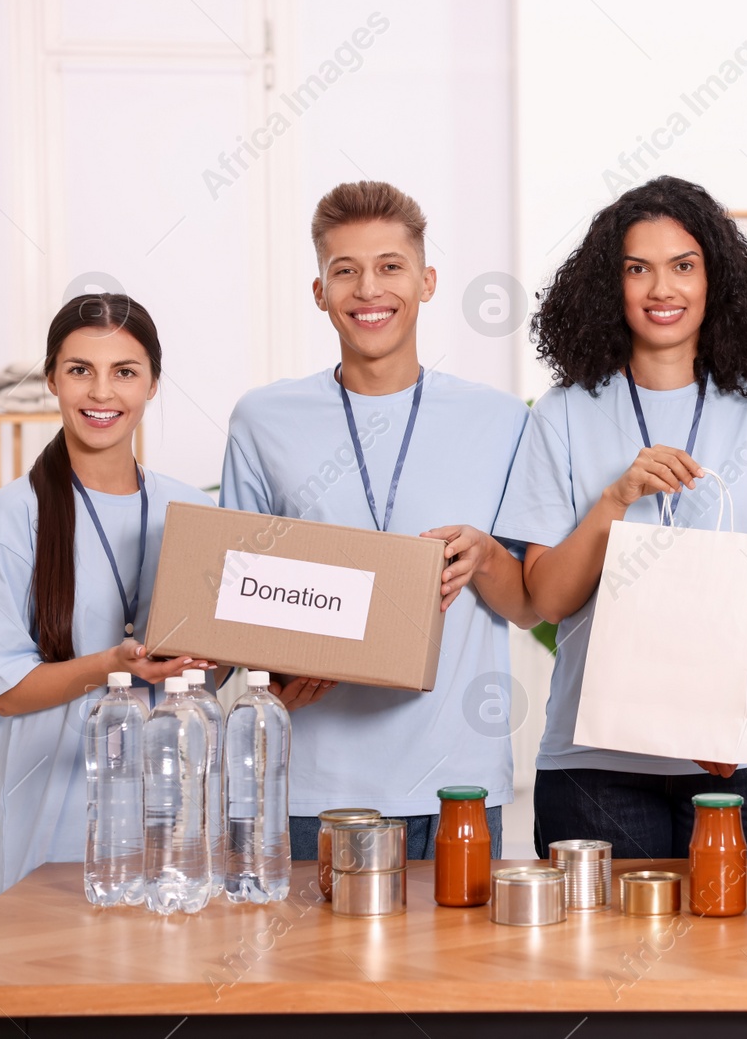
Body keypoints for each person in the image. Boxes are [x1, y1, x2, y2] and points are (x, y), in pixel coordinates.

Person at [492, 175, 747, 858]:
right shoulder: (562, 412)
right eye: (637, 269)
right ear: (607, 286)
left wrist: (722, 709)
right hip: (594, 762)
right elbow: (546, 597)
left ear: (716, 279)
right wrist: (613, 502)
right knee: (604, 961)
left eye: (683, 266)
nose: (661, 289)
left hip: (741, 756)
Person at [220, 181, 535, 861]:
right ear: (319, 290)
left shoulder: (501, 420)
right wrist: (270, 676)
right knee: (307, 971)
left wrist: (482, 555)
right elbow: (234, 598)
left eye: (390, 266)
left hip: (456, 786)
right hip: (309, 787)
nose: (370, 289)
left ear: (426, 281)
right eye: (346, 270)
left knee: (453, 970)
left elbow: (528, 602)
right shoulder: (262, 419)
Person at [0, 294, 216, 902]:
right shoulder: (14, 514)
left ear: (153, 383)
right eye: (80, 370)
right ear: (52, 379)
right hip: (48, 835)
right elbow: (2, 691)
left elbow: (215, 661)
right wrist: (111, 666)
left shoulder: (195, 513)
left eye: (124, 372)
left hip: (168, 834)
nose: (102, 393)